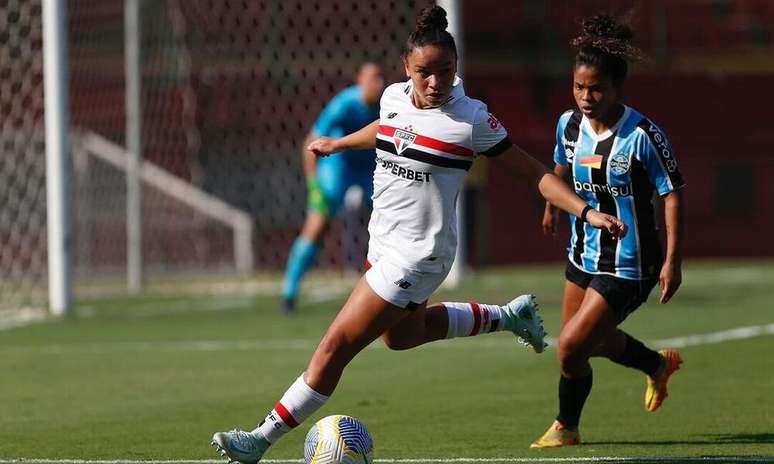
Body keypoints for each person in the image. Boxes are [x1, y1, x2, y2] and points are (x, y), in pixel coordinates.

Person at [211, 7, 626, 463]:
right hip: (383, 243)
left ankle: (260, 439)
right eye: (424, 73)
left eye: (444, 72)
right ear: (406, 69)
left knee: (334, 348)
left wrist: (585, 212)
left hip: (416, 256)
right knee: (403, 336)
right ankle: (509, 316)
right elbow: (389, 129)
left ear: (456, 69)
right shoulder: (393, 96)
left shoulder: (470, 121)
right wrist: (341, 142)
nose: (434, 83)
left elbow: (533, 172)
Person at [531, 14, 686, 448]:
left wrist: (673, 261)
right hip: (583, 253)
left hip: (631, 262)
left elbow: (671, 194)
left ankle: (567, 427)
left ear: (617, 87)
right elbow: (560, 164)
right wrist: (552, 205)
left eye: (595, 88)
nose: (585, 96)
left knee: (570, 348)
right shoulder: (570, 124)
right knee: (584, 344)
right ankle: (656, 365)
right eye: (579, 87)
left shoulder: (642, 135)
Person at [279, 62, 385, 313]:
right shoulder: (344, 105)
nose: (377, 84)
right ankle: (289, 292)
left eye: (380, 78)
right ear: (359, 80)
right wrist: (314, 186)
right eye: (371, 78)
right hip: (339, 169)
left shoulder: (389, 104)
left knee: (391, 219)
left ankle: (392, 288)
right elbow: (311, 141)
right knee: (317, 225)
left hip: (370, 171)